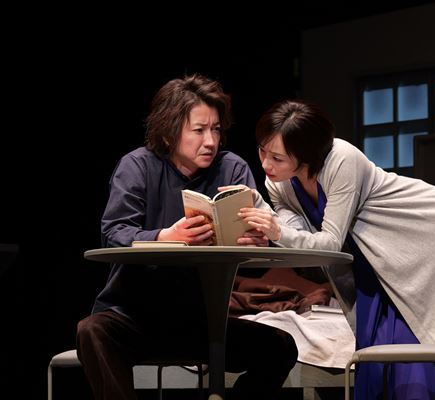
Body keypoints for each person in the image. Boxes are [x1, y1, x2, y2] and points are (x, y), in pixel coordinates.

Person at [239, 100, 435, 399]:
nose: (266, 164)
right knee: (378, 357)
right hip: (376, 256)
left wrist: (275, 230)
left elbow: (329, 243)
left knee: (424, 353)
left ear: (307, 154)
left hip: (431, 236)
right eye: (262, 151)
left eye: (277, 157)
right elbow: (298, 234)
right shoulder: (279, 182)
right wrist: (260, 209)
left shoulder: (341, 160)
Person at [76, 74, 298, 400]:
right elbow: (114, 233)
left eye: (216, 129)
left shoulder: (232, 169)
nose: (211, 141)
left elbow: (257, 257)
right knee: (92, 331)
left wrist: (257, 241)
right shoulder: (137, 166)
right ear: (169, 132)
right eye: (199, 130)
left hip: (202, 321)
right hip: (135, 316)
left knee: (280, 347)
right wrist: (166, 236)